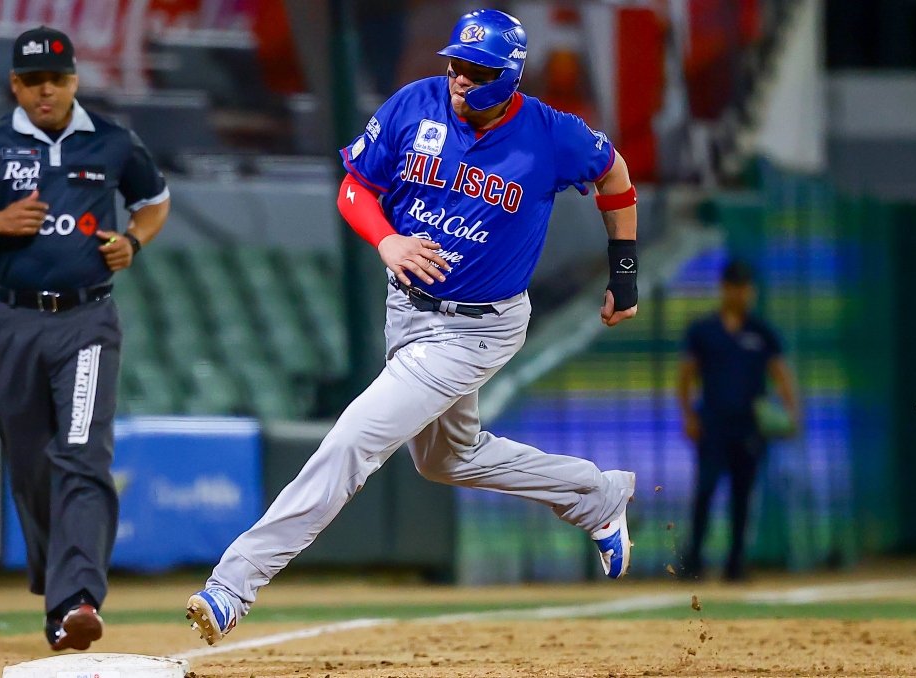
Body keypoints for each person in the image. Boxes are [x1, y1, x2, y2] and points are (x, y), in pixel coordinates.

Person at [185, 8, 640, 645]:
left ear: (507, 76)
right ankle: (594, 494)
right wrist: (388, 241)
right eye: (455, 61)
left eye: (475, 68)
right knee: (449, 458)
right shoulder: (414, 104)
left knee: (352, 442)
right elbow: (354, 187)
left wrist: (624, 275)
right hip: (408, 312)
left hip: (478, 329)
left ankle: (234, 584)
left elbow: (615, 173)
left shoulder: (550, 135)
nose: (457, 75)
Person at [0, 26, 170, 651]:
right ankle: (57, 583)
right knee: (32, 466)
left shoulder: (113, 140)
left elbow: (155, 200)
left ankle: (76, 600)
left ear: (74, 81)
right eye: (33, 81)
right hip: (14, 322)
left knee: (81, 455)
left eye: (56, 80)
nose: (45, 91)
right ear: (15, 84)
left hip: (86, 322)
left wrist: (133, 242)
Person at [677, 260, 798, 581]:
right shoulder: (704, 331)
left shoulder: (761, 332)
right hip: (713, 422)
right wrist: (688, 414)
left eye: (746, 287)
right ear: (724, 289)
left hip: (748, 425)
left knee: (743, 495)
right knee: (705, 490)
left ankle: (736, 562)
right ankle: (694, 560)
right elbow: (687, 374)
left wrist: (791, 412)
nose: (741, 294)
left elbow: (780, 373)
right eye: (735, 287)